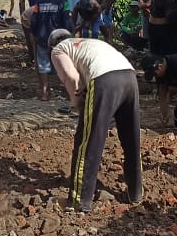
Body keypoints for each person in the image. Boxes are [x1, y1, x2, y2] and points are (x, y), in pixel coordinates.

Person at [49, 30, 143, 212]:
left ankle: (79, 201)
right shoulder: (87, 43)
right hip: (129, 78)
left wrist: (77, 104)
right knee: (131, 139)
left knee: (88, 142)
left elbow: (73, 77)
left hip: (104, 80)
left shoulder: (57, 50)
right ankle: (136, 193)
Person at [29, 0, 71, 100]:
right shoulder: (64, 2)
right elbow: (67, 21)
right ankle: (69, 92)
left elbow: (33, 20)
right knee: (63, 64)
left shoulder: (40, 2)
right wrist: (70, 35)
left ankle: (45, 92)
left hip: (42, 37)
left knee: (43, 65)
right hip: (58, 39)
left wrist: (34, 35)